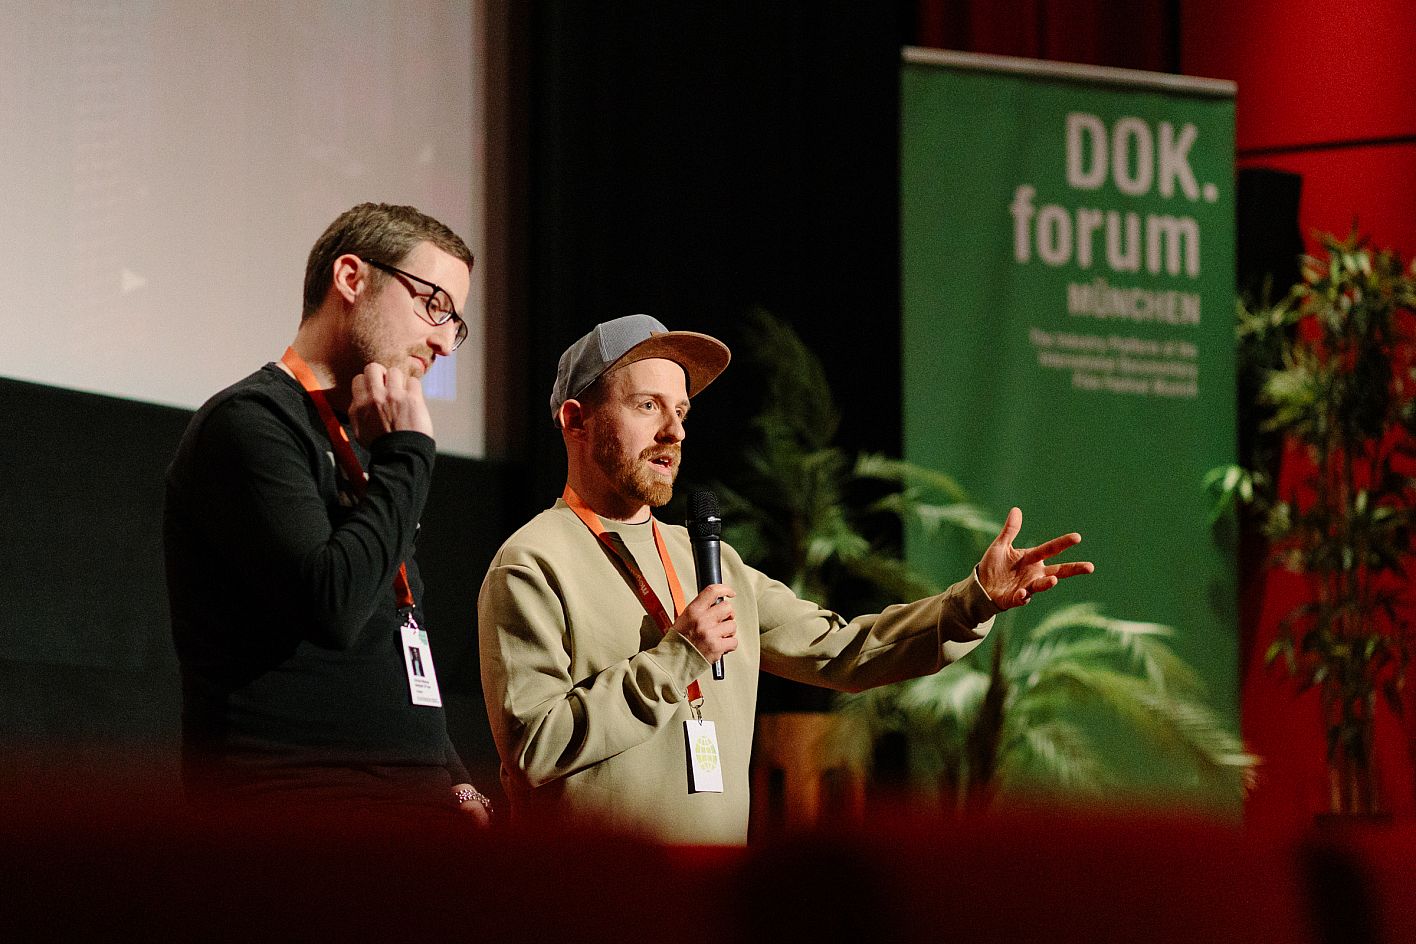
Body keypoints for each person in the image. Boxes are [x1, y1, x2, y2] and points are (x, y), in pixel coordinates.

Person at [478, 314, 1094, 844]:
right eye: (647, 406)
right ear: (576, 420)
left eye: (681, 411)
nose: (675, 432)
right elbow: (534, 748)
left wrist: (973, 601)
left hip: (712, 902)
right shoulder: (533, 562)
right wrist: (677, 658)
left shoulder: (710, 560)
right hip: (598, 909)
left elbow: (845, 649)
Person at [165, 202, 491, 823]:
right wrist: (410, 455)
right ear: (350, 278)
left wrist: (454, 780)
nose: (444, 342)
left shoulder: (368, 442)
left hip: (406, 809)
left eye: (455, 322)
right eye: (434, 304)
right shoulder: (251, 423)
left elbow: (395, 629)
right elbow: (333, 606)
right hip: (299, 810)